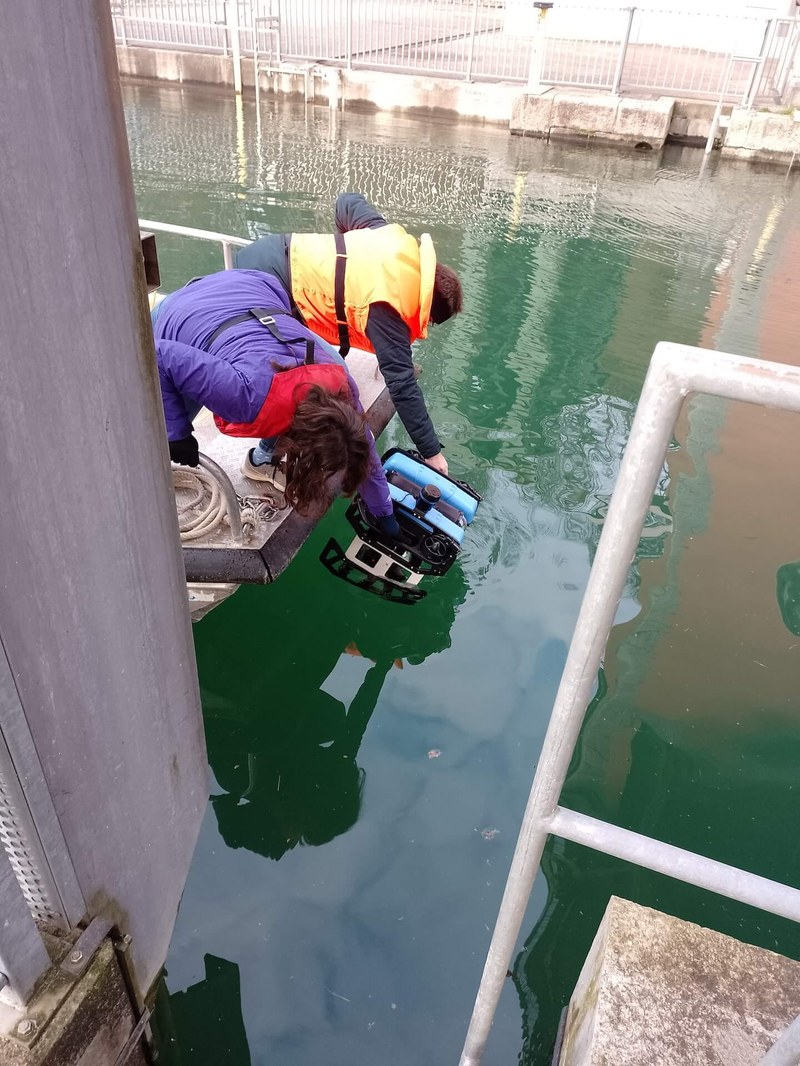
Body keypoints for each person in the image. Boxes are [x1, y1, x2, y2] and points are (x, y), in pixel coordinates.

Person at [153, 268, 399, 534]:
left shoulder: (340, 387)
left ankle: (260, 461)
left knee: (273, 394)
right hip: (177, 314)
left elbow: (366, 449)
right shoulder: (242, 396)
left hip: (252, 287)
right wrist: (177, 434)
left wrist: (384, 513)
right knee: (161, 431)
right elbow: (160, 356)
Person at [234, 192, 463, 478]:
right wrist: (432, 453)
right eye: (428, 321)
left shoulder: (386, 237)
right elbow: (403, 386)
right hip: (268, 290)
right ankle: (260, 460)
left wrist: (342, 258)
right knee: (310, 378)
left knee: (320, 370)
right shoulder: (390, 308)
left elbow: (347, 201)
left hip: (269, 251)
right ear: (427, 308)